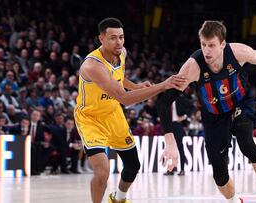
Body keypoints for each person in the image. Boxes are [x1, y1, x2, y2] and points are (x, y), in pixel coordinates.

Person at [157, 21, 256, 203]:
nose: (207, 51)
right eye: (203, 45)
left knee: (247, 143)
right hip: (213, 115)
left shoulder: (238, 52)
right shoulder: (193, 67)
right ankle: (233, 201)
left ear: (222, 44)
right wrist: (170, 142)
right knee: (219, 172)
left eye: (212, 45)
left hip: (240, 102)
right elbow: (164, 101)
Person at [74, 17, 186, 203]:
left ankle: (118, 199)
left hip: (113, 114)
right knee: (102, 171)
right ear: (101, 39)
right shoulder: (92, 65)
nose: (118, 42)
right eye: (112, 38)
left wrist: (136, 86)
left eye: (121, 37)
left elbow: (118, 79)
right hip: (90, 118)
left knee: (133, 165)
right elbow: (124, 99)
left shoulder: (122, 53)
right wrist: (162, 85)